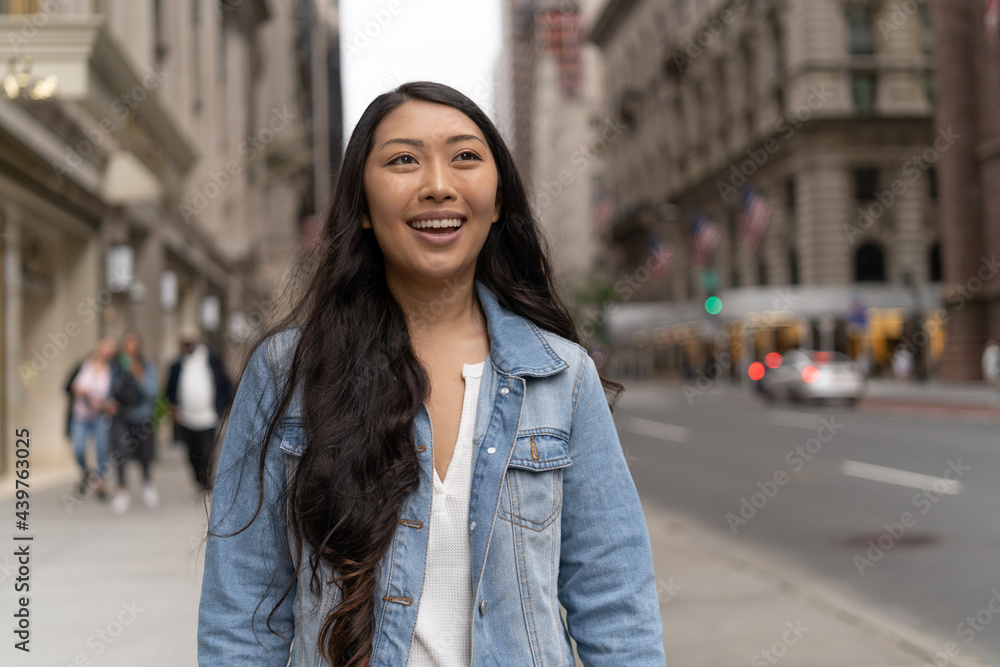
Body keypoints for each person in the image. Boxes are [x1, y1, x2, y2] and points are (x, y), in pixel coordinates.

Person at [198, 82, 665, 666]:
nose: (438, 185)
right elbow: (240, 616)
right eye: (403, 160)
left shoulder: (562, 376)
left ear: (498, 202)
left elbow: (616, 609)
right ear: (363, 207)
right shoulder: (285, 374)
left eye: (466, 156)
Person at [166, 327, 232, 492]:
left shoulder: (212, 359)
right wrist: (173, 409)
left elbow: (226, 383)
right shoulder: (176, 365)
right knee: (191, 451)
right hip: (186, 417)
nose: (188, 346)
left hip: (208, 416)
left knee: (208, 450)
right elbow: (170, 390)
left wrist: (226, 405)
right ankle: (198, 478)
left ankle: (207, 480)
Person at [109, 332, 160, 515]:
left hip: (142, 416)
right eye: (126, 344)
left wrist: (138, 373)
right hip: (122, 417)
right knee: (120, 452)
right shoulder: (116, 367)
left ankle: (147, 483)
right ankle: (122, 490)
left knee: (145, 454)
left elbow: (152, 392)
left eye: (133, 344)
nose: (129, 348)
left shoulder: (147, 366)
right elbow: (109, 389)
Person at [69, 336, 117, 499]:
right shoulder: (84, 364)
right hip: (80, 415)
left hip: (100, 416)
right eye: (104, 347)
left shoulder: (113, 370)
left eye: (110, 349)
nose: (106, 352)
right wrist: (79, 391)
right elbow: (69, 385)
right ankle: (85, 471)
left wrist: (104, 404)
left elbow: (115, 394)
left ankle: (101, 482)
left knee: (101, 450)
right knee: (79, 449)